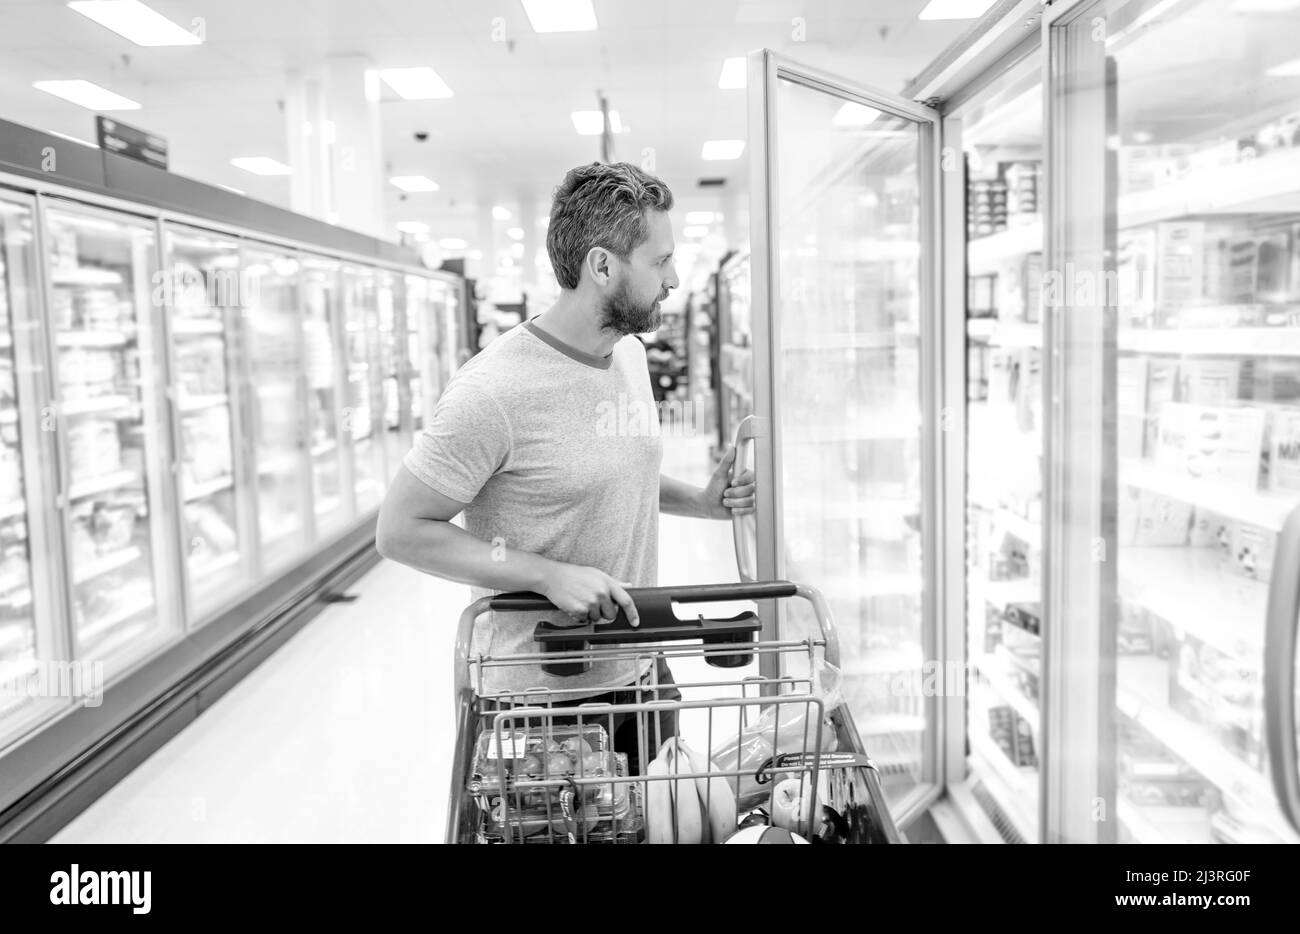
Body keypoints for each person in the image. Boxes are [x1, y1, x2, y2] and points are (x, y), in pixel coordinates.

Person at [376, 161, 755, 773]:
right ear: (602, 267)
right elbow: (399, 531)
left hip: (639, 666)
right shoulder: (493, 392)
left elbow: (605, 474)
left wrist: (702, 504)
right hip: (545, 700)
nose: (676, 278)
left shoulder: (628, 353)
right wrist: (547, 574)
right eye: (659, 262)